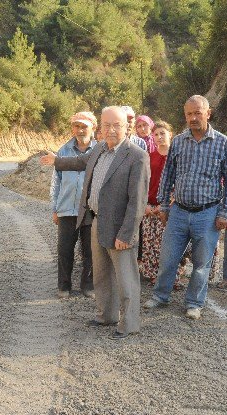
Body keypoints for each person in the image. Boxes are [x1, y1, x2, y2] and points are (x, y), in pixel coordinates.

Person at [40, 106, 150, 339]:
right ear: (100, 127)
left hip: (120, 227)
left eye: (116, 125)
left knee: (126, 278)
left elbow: (137, 202)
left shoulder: (136, 156)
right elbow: (81, 162)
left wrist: (127, 234)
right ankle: (107, 315)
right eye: (107, 125)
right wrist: (56, 161)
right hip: (97, 221)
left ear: (126, 126)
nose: (111, 130)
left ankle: (129, 324)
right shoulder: (99, 149)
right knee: (101, 275)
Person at [143, 95, 227, 320]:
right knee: (168, 257)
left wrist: (225, 212)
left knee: (201, 263)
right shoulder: (178, 141)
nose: (193, 118)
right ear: (184, 115)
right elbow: (168, 176)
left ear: (208, 113)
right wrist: (165, 206)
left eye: (198, 113)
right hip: (179, 211)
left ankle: (194, 303)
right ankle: (160, 296)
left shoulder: (224, 143)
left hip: (208, 213)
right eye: (189, 114)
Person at [50, 111, 98, 299]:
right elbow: (56, 182)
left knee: (90, 250)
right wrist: (54, 208)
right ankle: (64, 286)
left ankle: (88, 286)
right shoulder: (63, 151)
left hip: (89, 210)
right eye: (77, 126)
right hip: (67, 208)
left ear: (93, 128)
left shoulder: (99, 150)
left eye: (84, 126)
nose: (80, 130)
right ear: (72, 128)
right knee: (64, 249)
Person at [135, 117, 171, 285]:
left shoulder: (176, 156)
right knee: (149, 242)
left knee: (168, 244)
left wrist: (168, 204)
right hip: (150, 207)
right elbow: (142, 183)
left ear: (170, 135)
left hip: (170, 207)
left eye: (162, 133)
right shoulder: (149, 157)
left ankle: (171, 276)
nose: (159, 137)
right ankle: (152, 274)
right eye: (156, 134)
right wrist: (145, 206)